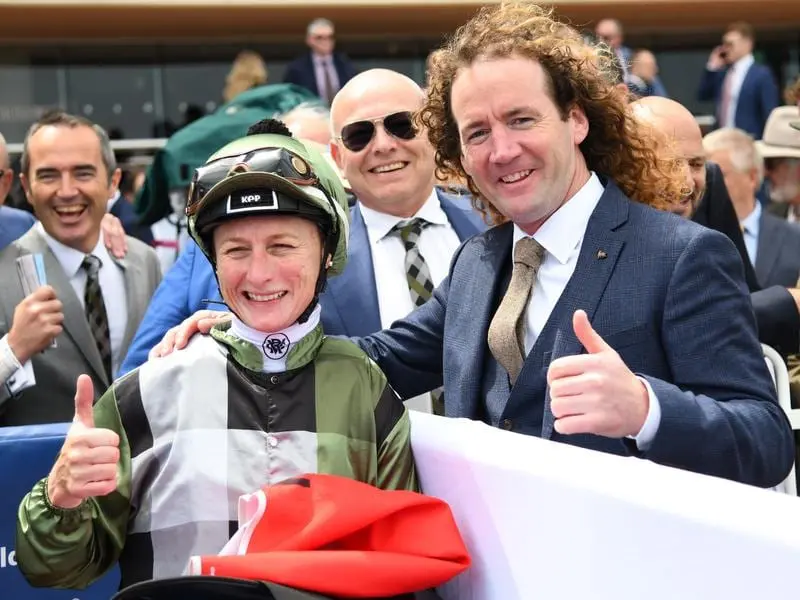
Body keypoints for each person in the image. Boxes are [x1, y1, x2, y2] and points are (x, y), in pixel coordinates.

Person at [153, 2, 793, 488]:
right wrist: (246, 339)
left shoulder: (682, 256)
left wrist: (645, 409)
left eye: (521, 120)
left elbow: (765, 442)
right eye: (477, 132)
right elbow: (374, 359)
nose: (502, 150)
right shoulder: (480, 260)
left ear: (576, 118)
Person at [15, 122, 417, 591]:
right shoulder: (146, 390)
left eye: (282, 246)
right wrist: (60, 498)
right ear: (212, 260)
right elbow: (53, 568)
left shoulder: (366, 389)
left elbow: (402, 567)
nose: (259, 274)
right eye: (236, 250)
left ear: (327, 252)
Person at [120, 70, 483, 418]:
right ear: (338, 158)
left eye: (402, 125)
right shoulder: (305, 251)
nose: (384, 145)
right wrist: (247, 337)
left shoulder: (497, 226)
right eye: (359, 135)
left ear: (434, 134)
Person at [0, 111, 161, 425]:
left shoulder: (144, 261)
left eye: (83, 173)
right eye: (48, 176)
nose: (67, 190)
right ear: (27, 187)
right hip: (42, 471)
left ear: (112, 182)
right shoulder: (3, 273)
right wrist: (13, 349)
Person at [633, 96, 800, 357]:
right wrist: (783, 303)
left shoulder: (711, 188)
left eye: (696, 164)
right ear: (626, 166)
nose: (686, 182)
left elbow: (742, 296)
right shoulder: (602, 224)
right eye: (668, 163)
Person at [703, 127, 800, 289]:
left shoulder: (793, 236)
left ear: (752, 177)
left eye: (718, 174)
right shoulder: (693, 234)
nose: (707, 183)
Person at [697, 21, 779, 139]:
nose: (725, 49)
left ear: (747, 44)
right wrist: (712, 67)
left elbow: (769, 112)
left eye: (730, 44)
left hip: (749, 140)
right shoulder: (722, 73)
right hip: (722, 138)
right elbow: (702, 96)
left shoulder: (761, 74)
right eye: (724, 44)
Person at [283, 18, 358, 105]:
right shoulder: (297, 68)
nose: (326, 41)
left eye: (330, 37)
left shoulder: (345, 64)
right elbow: (290, 96)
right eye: (319, 38)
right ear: (309, 40)